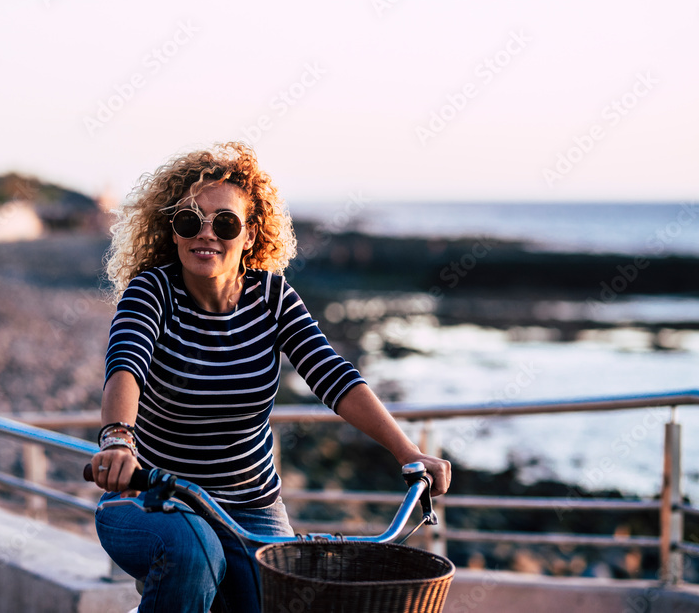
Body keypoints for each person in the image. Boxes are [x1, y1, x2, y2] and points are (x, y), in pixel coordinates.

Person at [91, 142, 450, 613]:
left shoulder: (272, 297)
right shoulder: (151, 292)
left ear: (250, 232)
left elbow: (332, 375)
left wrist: (407, 453)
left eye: (224, 222)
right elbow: (126, 365)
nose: (207, 235)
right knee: (193, 552)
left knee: (286, 601)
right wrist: (118, 439)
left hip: (252, 507)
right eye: (189, 220)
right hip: (155, 498)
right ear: (171, 230)